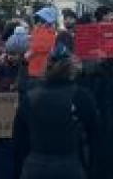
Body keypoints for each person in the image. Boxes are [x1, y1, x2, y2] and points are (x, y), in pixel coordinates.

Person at [13, 45, 99, 179]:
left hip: (35, 166)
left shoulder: (30, 97)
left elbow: (18, 139)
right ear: (71, 67)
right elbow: (96, 137)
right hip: (70, 166)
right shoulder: (82, 96)